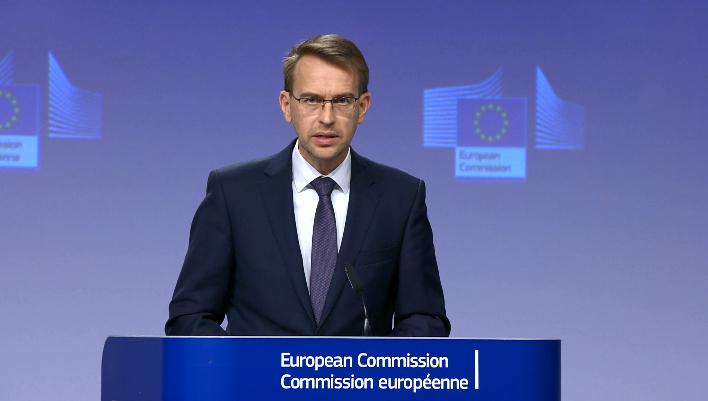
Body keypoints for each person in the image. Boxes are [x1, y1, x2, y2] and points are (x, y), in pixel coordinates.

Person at [165, 34, 450, 337]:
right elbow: (190, 317)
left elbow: (425, 320)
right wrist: (247, 364)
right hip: (257, 370)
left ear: (363, 107)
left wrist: (371, 364)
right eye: (311, 100)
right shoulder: (233, 194)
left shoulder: (401, 198)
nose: (327, 118)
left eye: (342, 100)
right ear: (287, 105)